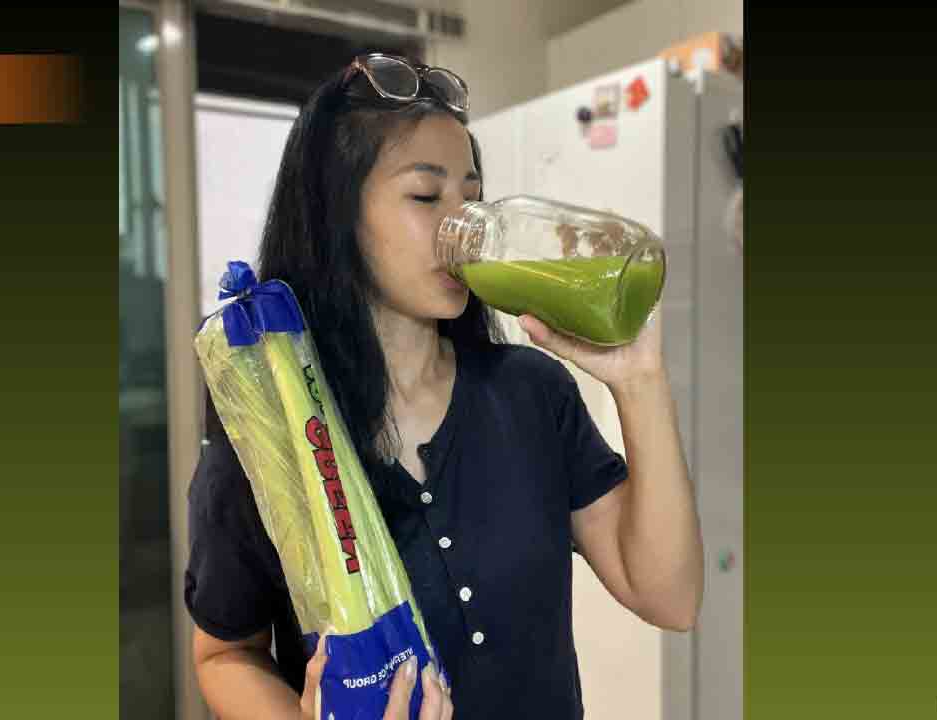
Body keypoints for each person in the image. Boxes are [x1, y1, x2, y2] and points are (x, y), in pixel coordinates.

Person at [184, 52, 704, 720]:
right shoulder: (277, 429)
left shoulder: (532, 393)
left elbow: (670, 598)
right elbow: (225, 655)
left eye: (472, 198)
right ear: (336, 215)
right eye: (427, 197)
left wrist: (641, 381)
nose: (466, 228)